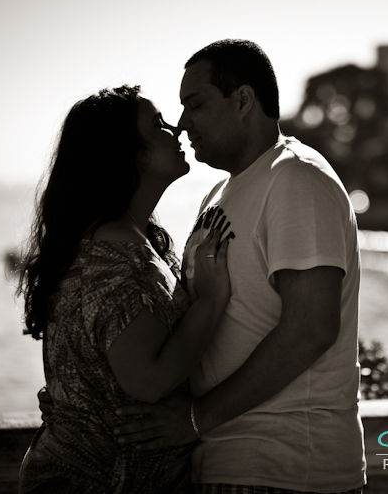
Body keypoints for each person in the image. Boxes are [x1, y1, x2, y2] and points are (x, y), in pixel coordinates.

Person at [116, 39, 367, 493]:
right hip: (228, 464)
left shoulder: (295, 179)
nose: (182, 123)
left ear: (244, 101)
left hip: (286, 471)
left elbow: (312, 327)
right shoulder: (225, 192)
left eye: (196, 104)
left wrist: (196, 419)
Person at [18, 85, 231, 493]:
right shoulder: (114, 259)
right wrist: (212, 299)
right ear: (127, 154)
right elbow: (148, 381)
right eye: (157, 125)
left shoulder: (134, 239)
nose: (177, 129)